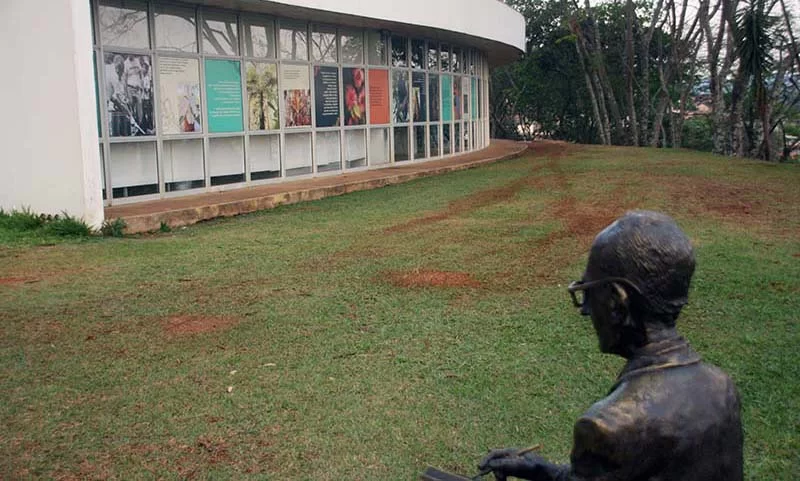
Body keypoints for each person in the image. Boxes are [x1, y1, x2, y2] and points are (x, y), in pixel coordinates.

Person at [479, 211, 743, 481]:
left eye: (588, 293)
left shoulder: (607, 426)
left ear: (617, 302)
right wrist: (540, 469)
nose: (585, 311)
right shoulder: (722, 388)